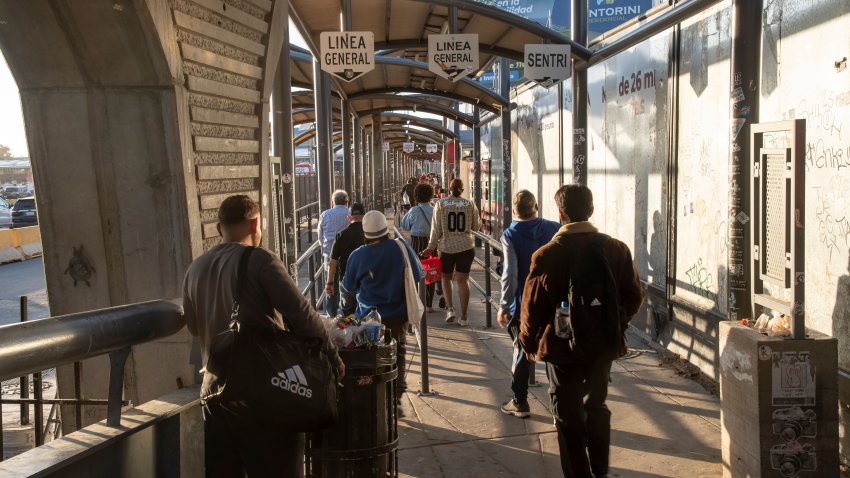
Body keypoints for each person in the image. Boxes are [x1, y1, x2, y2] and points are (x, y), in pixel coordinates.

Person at [183, 194, 345, 477]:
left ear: (219, 228)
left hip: (214, 393)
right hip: (264, 394)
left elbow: (194, 328)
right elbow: (302, 315)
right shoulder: (260, 260)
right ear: (255, 223)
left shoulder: (195, 268)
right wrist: (332, 356)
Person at [519, 185, 643, 478]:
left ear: (561, 214)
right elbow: (633, 296)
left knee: (567, 415)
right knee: (596, 405)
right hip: (603, 345)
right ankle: (600, 471)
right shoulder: (616, 249)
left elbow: (531, 306)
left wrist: (528, 341)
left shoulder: (547, 255)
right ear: (591, 210)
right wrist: (614, 322)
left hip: (562, 349)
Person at [342, 211, 424, 401]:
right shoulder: (400, 247)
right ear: (385, 230)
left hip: (368, 318)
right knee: (398, 348)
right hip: (398, 313)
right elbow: (419, 274)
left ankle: (376, 393)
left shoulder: (357, 256)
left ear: (365, 234)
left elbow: (349, 287)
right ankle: (397, 389)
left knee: (371, 354)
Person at [498, 190, 560, 419]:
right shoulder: (554, 228)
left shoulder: (510, 234)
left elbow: (510, 273)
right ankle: (559, 409)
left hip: (524, 302)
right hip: (552, 300)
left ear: (514, 211)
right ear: (537, 206)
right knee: (554, 351)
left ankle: (520, 401)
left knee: (522, 348)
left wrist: (503, 305)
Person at [423, 178, 480, 326]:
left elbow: (436, 229)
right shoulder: (470, 204)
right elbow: (476, 226)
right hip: (466, 247)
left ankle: (450, 309)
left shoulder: (440, 204)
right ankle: (464, 316)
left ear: (449, 190)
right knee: (463, 281)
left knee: (446, 278)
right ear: (462, 190)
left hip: (446, 248)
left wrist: (431, 246)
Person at [400, 182, 438, 312]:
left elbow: (404, 225)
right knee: (431, 272)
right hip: (432, 244)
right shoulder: (435, 209)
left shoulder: (414, 210)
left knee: (417, 270)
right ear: (430, 196)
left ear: (416, 196)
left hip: (417, 243)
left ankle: (418, 300)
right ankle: (429, 304)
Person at [325, 202, 366, 316]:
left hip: (347, 281)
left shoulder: (341, 235)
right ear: (365, 215)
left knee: (348, 315)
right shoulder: (370, 234)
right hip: (366, 281)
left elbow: (332, 262)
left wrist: (329, 283)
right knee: (367, 315)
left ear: (349, 218)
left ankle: (350, 332)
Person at [317, 189, 350, 316]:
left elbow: (319, 236)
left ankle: (331, 314)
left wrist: (324, 247)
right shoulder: (350, 214)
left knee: (330, 285)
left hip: (329, 255)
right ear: (347, 202)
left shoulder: (325, 215)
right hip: (347, 255)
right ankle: (346, 313)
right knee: (346, 284)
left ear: (332, 202)